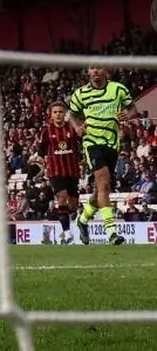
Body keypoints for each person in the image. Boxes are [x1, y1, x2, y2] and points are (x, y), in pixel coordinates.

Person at [69, 66, 136, 246]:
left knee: (101, 189)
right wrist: (77, 126)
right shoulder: (80, 94)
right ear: (88, 72)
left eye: (99, 68)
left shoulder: (118, 89)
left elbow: (132, 108)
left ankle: (82, 220)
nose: (95, 71)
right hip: (91, 143)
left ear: (105, 70)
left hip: (112, 144)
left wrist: (127, 115)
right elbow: (73, 114)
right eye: (92, 68)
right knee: (104, 183)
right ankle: (112, 232)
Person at [37, 101, 80, 244]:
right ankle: (67, 235)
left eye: (60, 112)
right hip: (55, 171)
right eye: (55, 112)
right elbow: (41, 150)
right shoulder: (47, 131)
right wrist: (42, 159)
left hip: (72, 170)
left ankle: (76, 222)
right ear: (51, 115)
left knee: (73, 205)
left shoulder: (72, 129)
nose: (58, 114)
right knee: (61, 199)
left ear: (65, 113)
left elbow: (82, 141)